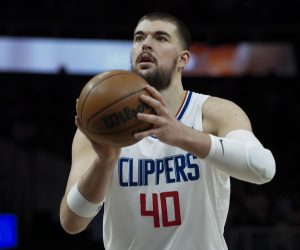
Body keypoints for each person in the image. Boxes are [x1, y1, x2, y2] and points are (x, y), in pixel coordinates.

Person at [59, 12, 276, 250]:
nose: (146, 44)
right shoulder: (99, 128)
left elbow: (263, 168)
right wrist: (104, 163)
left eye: (161, 38)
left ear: (183, 59)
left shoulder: (214, 113)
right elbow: (71, 222)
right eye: (138, 38)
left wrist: (182, 134)